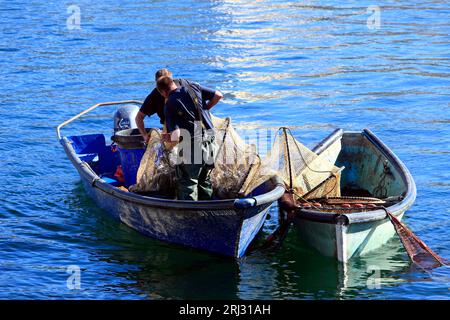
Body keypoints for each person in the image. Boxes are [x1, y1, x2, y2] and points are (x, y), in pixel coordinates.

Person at [156, 76, 223, 201]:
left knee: (188, 182)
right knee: (204, 179)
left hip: (194, 146)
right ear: (173, 84)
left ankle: (190, 216)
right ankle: (207, 212)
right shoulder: (193, 87)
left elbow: (175, 137)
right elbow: (218, 95)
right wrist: (205, 109)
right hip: (211, 141)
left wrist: (166, 138)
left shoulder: (170, 103)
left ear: (164, 92)